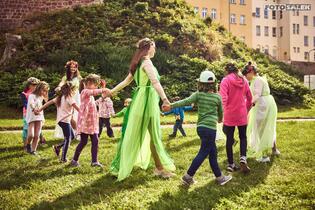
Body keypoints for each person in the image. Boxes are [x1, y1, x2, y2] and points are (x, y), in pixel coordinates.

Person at [109, 38, 175, 181]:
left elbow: (126, 82)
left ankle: (156, 167)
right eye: (154, 47)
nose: (155, 50)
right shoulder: (146, 63)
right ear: (148, 47)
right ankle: (159, 169)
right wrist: (164, 99)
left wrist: (111, 91)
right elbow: (155, 82)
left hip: (140, 102)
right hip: (146, 103)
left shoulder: (138, 64)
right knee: (154, 136)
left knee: (136, 135)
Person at [164, 70, 232, 186]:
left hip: (201, 128)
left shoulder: (198, 94)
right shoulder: (217, 97)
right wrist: (220, 119)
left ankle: (219, 177)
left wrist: (171, 106)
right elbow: (221, 113)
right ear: (214, 83)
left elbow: (185, 101)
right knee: (204, 152)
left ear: (201, 83)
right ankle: (188, 176)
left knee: (213, 152)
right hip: (210, 129)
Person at [242, 62, 280, 162]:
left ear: (251, 72)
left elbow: (257, 95)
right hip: (266, 103)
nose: (245, 77)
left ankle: (264, 155)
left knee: (261, 129)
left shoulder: (257, 80)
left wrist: (250, 104)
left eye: (246, 75)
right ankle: (274, 149)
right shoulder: (258, 79)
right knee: (268, 126)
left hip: (262, 105)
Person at [70, 74, 109, 167]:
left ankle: (94, 161)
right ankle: (74, 160)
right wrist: (102, 90)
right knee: (83, 142)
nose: (96, 87)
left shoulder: (90, 95)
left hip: (92, 122)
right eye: (95, 85)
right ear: (88, 83)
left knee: (95, 141)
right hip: (85, 123)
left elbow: (98, 96)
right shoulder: (85, 92)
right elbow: (94, 92)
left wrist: (103, 88)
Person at [219, 63, 252, 173]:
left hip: (230, 113)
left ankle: (231, 164)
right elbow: (250, 97)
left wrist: (222, 111)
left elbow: (223, 98)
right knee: (243, 137)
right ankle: (243, 158)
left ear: (227, 71)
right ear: (236, 70)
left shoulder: (225, 80)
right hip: (242, 113)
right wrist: (246, 110)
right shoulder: (244, 80)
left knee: (229, 138)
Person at [35, 82, 80, 162]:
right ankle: (63, 158)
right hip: (65, 121)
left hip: (62, 121)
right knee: (68, 139)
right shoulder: (69, 97)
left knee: (71, 137)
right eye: (73, 89)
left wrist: (40, 109)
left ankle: (57, 147)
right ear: (71, 90)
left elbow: (48, 103)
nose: (74, 91)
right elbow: (77, 108)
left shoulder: (60, 97)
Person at [54, 60, 82, 139]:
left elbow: (83, 86)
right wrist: (59, 87)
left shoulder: (79, 77)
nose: (73, 69)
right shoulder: (65, 77)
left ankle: (77, 133)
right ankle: (75, 133)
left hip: (75, 97)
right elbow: (62, 83)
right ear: (68, 68)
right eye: (71, 67)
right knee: (69, 116)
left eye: (74, 67)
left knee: (74, 116)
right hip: (68, 97)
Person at [25, 81, 50, 155]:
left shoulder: (41, 96)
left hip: (39, 116)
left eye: (46, 91)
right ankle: (28, 145)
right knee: (31, 135)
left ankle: (33, 150)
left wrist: (46, 92)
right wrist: (34, 109)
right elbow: (31, 104)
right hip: (32, 116)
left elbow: (46, 101)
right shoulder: (31, 95)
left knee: (37, 135)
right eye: (43, 90)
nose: (44, 92)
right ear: (39, 88)